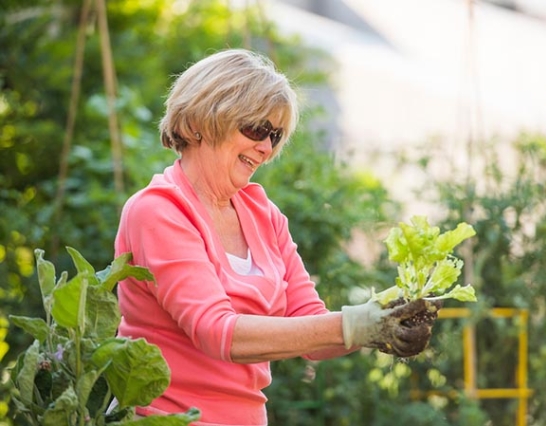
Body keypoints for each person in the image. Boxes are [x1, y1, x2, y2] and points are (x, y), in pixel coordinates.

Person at [114, 48, 439, 425]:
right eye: (255, 129)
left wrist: (383, 318)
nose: (266, 148)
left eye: (275, 135)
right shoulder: (158, 211)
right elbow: (217, 332)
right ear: (202, 119)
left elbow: (311, 324)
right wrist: (353, 325)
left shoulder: (264, 216)